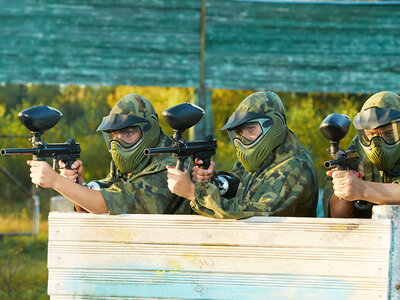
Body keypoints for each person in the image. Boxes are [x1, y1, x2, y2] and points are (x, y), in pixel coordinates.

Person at [28, 94, 192, 215]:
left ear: (150, 128)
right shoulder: (131, 162)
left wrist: (56, 182)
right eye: (114, 135)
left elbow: (106, 205)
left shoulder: (173, 165)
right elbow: (92, 205)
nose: (119, 142)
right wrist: (77, 183)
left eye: (128, 133)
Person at [166, 91, 319, 219]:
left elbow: (254, 214)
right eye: (240, 132)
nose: (243, 137)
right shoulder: (261, 158)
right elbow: (238, 183)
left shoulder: (294, 166)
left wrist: (193, 193)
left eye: (251, 128)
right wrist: (216, 181)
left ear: (275, 125)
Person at [323, 91, 400, 218]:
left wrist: (363, 190)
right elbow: (337, 218)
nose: (377, 143)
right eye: (370, 134)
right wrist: (346, 189)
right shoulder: (355, 153)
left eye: (389, 134)